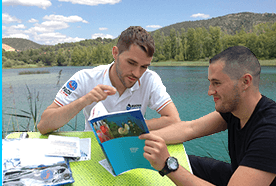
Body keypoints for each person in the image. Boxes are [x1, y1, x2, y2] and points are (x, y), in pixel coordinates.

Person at [140, 46, 276, 186]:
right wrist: (136, 139)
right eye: (210, 83)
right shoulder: (238, 109)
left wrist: (168, 165)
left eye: (216, 83)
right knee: (187, 161)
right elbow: (190, 129)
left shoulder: (273, 133)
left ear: (245, 81)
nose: (210, 91)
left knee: (176, 165)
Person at [38, 26, 180, 134]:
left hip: (131, 147)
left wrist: (126, 128)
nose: (137, 74)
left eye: (144, 66)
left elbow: (174, 120)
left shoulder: (150, 79)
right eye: (131, 63)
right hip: (93, 149)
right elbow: (43, 125)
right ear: (115, 53)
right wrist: (84, 100)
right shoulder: (85, 78)